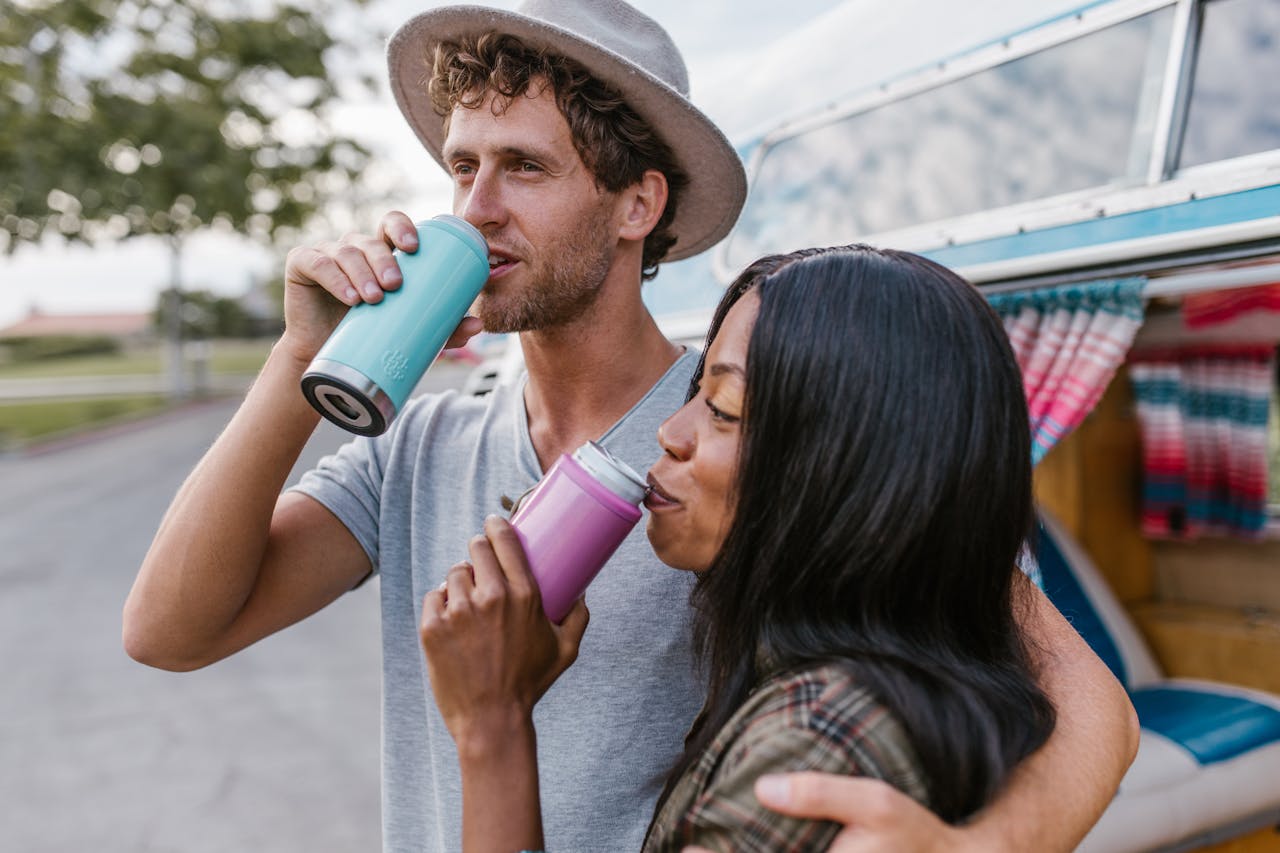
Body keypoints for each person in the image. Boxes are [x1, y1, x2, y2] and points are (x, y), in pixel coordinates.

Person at [122, 1, 1137, 851]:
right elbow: (170, 630)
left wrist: (985, 847)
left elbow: (1089, 701)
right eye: (459, 166)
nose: (471, 209)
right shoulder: (417, 446)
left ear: (635, 204)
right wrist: (298, 354)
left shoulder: (756, 433)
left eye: (522, 167)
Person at [419, 245, 1060, 851]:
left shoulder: (812, 748)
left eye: (721, 407)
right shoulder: (864, 680)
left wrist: (492, 724)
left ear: (847, 465)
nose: (671, 431)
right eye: (697, 394)